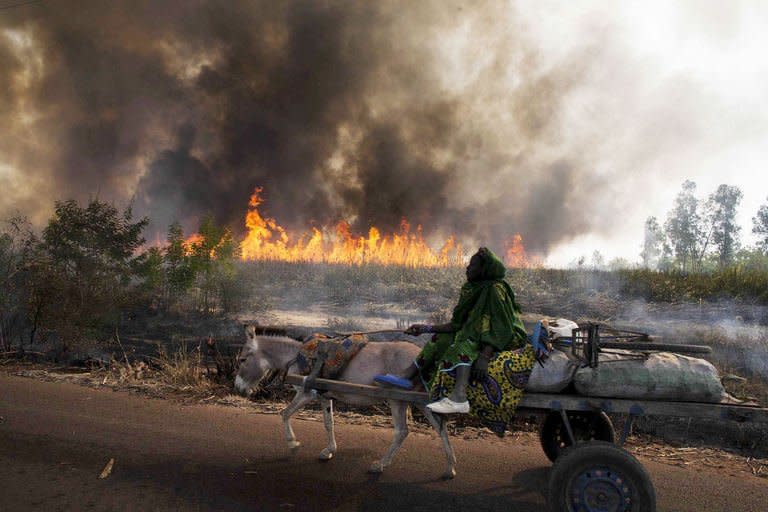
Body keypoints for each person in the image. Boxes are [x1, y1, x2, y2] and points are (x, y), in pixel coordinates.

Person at [375, 247, 527, 414]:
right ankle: (406, 376)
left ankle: (459, 397)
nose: (467, 268)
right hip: (477, 334)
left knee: (462, 343)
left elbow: (501, 326)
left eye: (473, 265)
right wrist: (425, 328)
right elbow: (456, 325)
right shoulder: (472, 288)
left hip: (502, 336)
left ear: (484, 270)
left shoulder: (496, 290)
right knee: (440, 339)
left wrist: (485, 356)